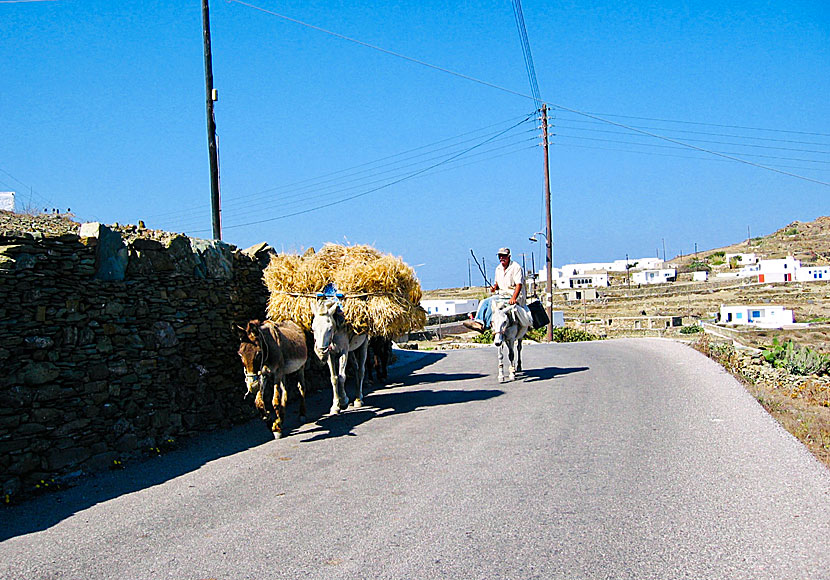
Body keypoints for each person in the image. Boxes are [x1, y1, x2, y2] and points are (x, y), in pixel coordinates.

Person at [464, 247, 526, 332]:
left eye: (504, 256)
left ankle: (487, 324)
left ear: (509, 256)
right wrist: (494, 287)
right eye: (500, 256)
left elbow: (519, 285)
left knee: (493, 303)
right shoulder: (498, 269)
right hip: (502, 295)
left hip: (513, 295)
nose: (501, 258)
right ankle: (479, 322)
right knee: (484, 301)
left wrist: (514, 298)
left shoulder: (516, 267)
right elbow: (497, 283)